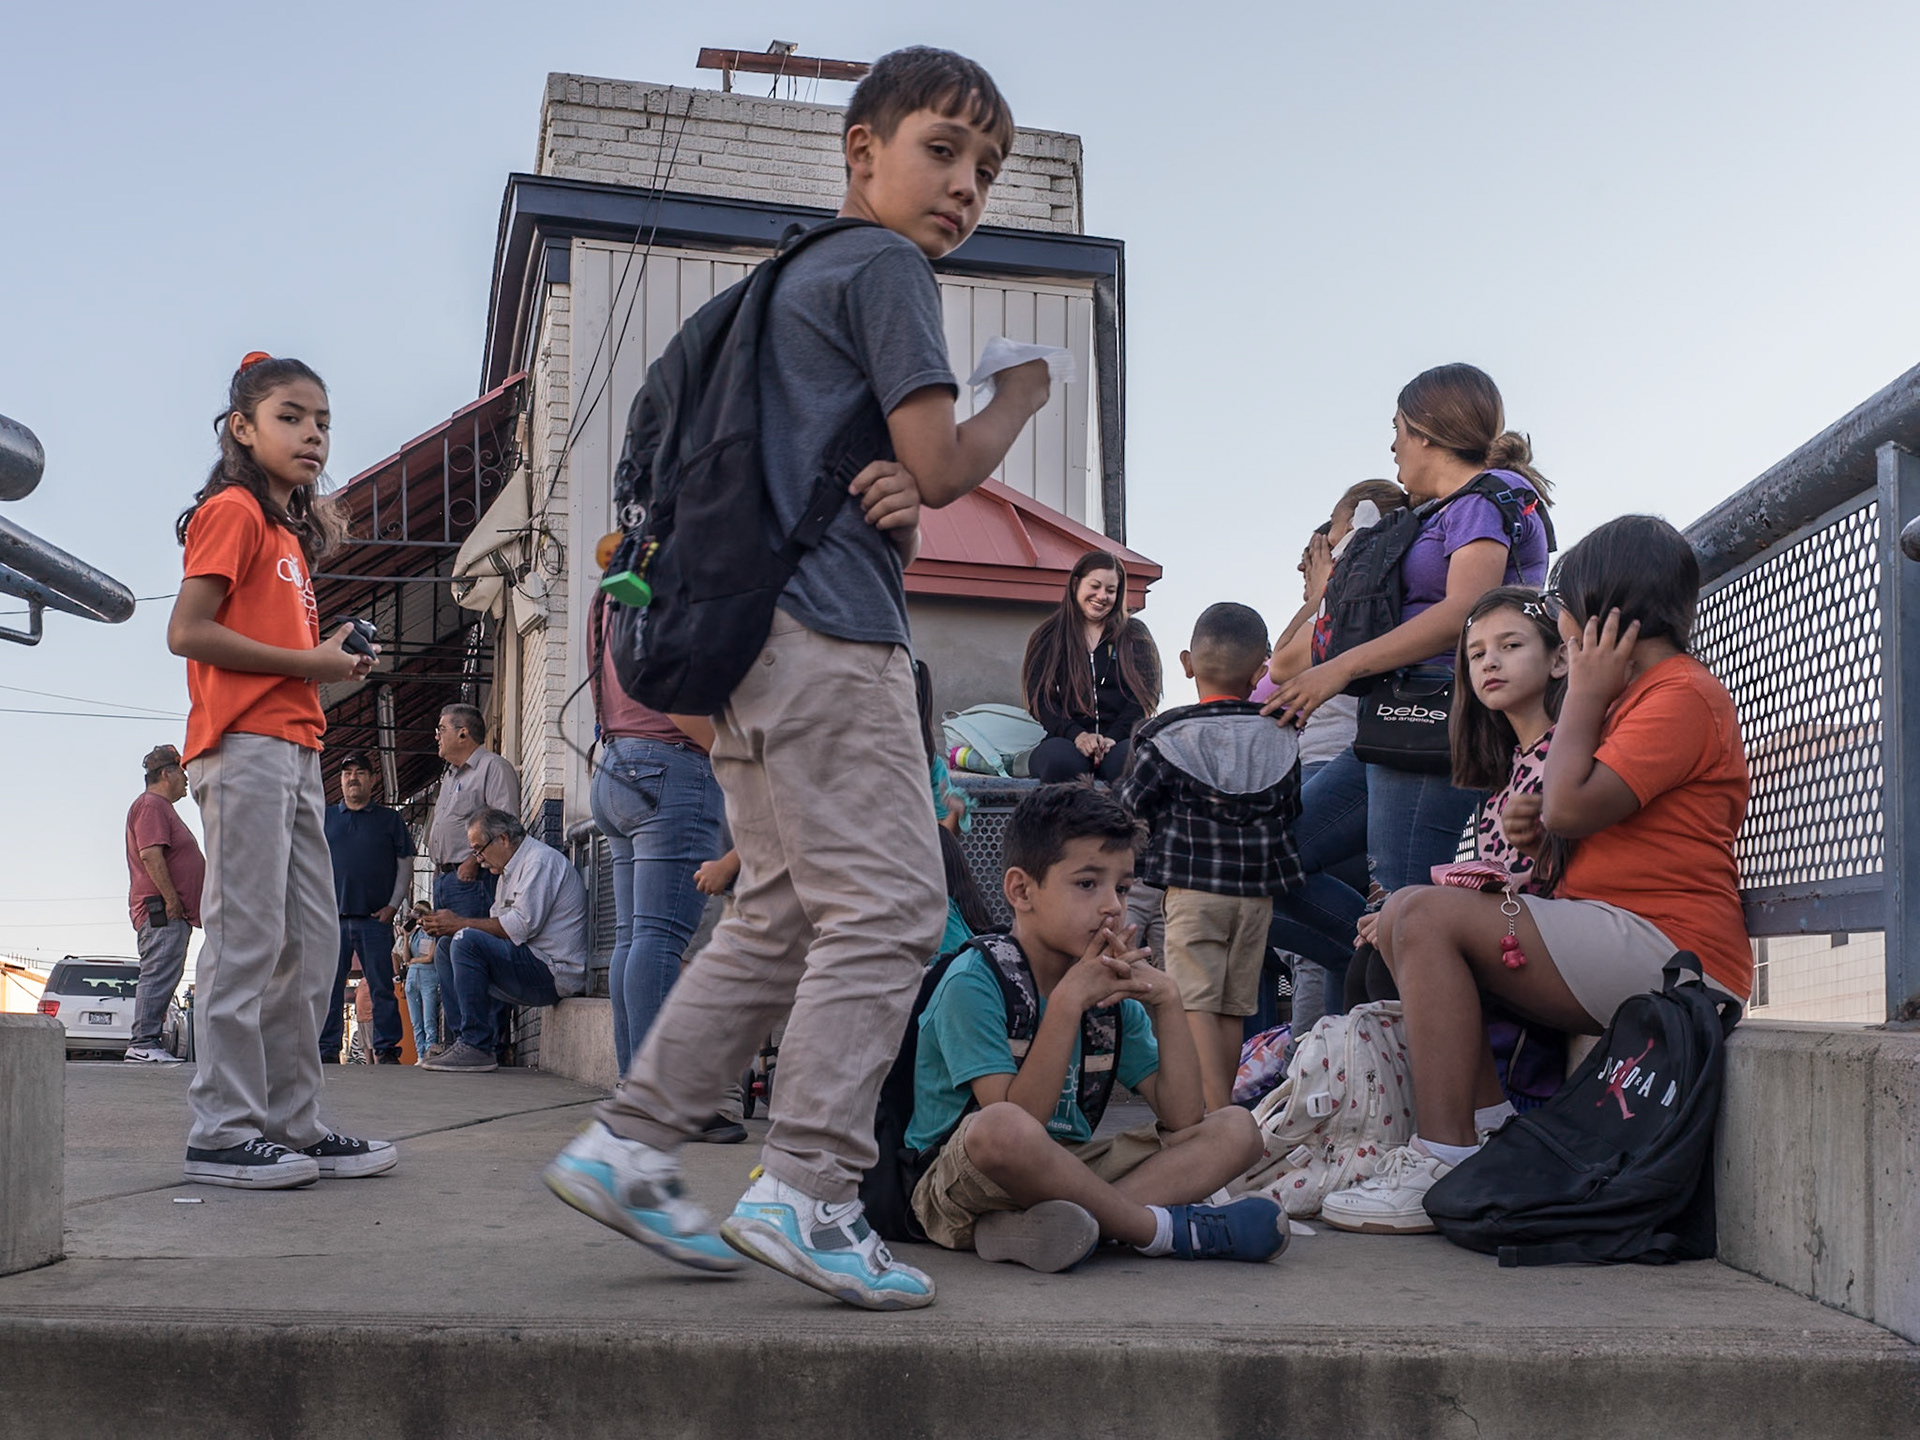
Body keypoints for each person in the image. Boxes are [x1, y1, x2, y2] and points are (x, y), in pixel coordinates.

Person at [544, 46, 1058, 1312]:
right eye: (943, 150)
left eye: (988, 169)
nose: (966, 186)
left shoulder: (774, 289)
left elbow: (865, 480)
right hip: (833, 641)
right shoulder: (885, 267)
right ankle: (811, 1189)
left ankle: (629, 1145)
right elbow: (938, 462)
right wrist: (1017, 397)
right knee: (890, 906)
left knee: (778, 911)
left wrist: (898, 503)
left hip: (749, 645)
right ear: (861, 151)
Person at [1322, 517, 1750, 1234]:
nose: (1560, 618)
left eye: (1563, 605)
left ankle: (1444, 1153)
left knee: (1420, 913)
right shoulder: (1638, 698)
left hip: (1676, 954)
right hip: (1616, 931)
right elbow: (1582, 826)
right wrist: (1538, 834)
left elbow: (1571, 805)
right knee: (1402, 916)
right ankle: (1486, 1128)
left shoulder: (1680, 693)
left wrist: (1581, 694)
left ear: (1602, 609)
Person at [166, 352, 396, 1188]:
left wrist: (327, 660)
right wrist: (310, 663)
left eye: (322, 421)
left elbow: (277, 653)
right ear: (243, 428)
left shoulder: (286, 534)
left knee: (310, 943)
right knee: (248, 938)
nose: (312, 434)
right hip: (243, 746)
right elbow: (187, 631)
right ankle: (222, 1130)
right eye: (291, 417)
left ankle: (293, 1123)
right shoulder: (232, 511)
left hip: (296, 748)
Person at [904, 785, 1287, 1272]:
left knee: (1237, 1129)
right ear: (1021, 891)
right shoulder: (976, 981)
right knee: (1001, 1127)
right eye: (1087, 884)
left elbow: (1184, 1119)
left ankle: (1055, 1227)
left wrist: (1168, 1001)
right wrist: (1067, 1002)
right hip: (963, 1180)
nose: (1112, 906)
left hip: (1070, 1168)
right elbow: (1018, 1122)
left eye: (1122, 888)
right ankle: (1157, 1230)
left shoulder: (1109, 989)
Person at [1267, 364, 1555, 998]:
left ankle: (1414, 1016)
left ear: (1426, 431)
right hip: (1396, 723)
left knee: (1401, 897)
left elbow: (1466, 610)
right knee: (1265, 857)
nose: (1393, 445)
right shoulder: (1445, 510)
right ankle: (1383, 963)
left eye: (1398, 429)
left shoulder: (1487, 497)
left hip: (1437, 719)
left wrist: (1339, 668)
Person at [1117, 603, 1304, 1111]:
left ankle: (1208, 1116)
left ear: (1186, 663)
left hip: (1193, 893)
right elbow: (1291, 808)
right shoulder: (1282, 735)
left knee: (1194, 1002)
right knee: (1232, 1007)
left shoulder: (1167, 736)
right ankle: (1224, 1108)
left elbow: (1132, 805)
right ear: (1260, 672)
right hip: (1255, 900)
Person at [1255, 481, 1409, 1035]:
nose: (1326, 540)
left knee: (1287, 893)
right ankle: (1325, 1063)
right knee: (1321, 949)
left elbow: (1281, 664)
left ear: (1362, 525)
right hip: (1322, 766)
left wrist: (1324, 589)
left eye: (1335, 527)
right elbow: (1281, 662)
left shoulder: (1365, 587)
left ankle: (1316, 1056)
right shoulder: (1347, 590)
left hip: (1340, 764)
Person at [587, 591, 727, 1075]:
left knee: (634, 937)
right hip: (671, 762)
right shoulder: (677, 568)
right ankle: (654, 1092)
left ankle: (635, 1082)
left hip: (617, 762)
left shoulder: (613, 584)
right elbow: (673, 690)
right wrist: (736, 756)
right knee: (658, 939)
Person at [419, 808, 589, 1072]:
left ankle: (477, 1045)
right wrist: (450, 927)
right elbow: (495, 925)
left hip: (554, 972)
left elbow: (518, 927)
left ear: (503, 838)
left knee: (465, 939)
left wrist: (459, 923)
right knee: (446, 946)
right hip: (529, 962)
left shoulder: (539, 862)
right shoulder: (508, 872)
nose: (479, 859)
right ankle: (462, 1040)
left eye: (479, 849)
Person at [423, 703, 520, 1059]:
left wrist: (471, 861)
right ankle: (463, 1040)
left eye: (441, 728)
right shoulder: (450, 776)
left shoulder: (493, 768)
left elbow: (506, 826)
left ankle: (488, 1043)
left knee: (475, 955)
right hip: (446, 879)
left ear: (463, 732)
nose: (437, 736)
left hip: (473, 880)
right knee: (447, 958)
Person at [1022, 550, 1162, 784]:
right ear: (1076, 583)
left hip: (1119, 741)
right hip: (1066, 740)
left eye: (1110, 590)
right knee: (1060, 763)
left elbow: (1143, 698)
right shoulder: (1048, 636)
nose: (1102, 596)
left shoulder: (1135, 635)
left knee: (1131, 762)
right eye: (1095, 586)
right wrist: (1077, 735)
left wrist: (1112, 738)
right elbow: (1042, 701)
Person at [319, 750, 415, 1065]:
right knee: (328, 987)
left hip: (375, 920)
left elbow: (405, 862)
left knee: (382, 986)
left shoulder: (389, 819)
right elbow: (307, 863)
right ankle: (326, 1048)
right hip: (332, 920)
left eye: (360, 772)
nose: (353, 778)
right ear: (340, 780)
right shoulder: (325, 818)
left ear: (372, 779)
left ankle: (386, 1050)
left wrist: (393, 905)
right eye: (347, 773)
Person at [123, 744, 204, 1065]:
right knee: (158, 973)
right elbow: (150, 855)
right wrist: (172, 900)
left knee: (165, 972)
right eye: (182, 772)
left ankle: (147, 1041)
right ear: (167, 773)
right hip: (162, 910)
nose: (186, 779)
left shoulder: (159, 807)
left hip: (171, 910)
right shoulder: (151, 805)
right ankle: (143, 1042)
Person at [398, 903, 440, 1061]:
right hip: (412, 976)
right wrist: (406, 936)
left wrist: (413, 961)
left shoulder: (433, 934)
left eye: (419, 913)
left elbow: (429, 958)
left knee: (429, 1018)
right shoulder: (415, 933)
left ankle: (430, 1051)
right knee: (416, 1021)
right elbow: (405, 958)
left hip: (428, 975)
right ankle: (420, 1054)